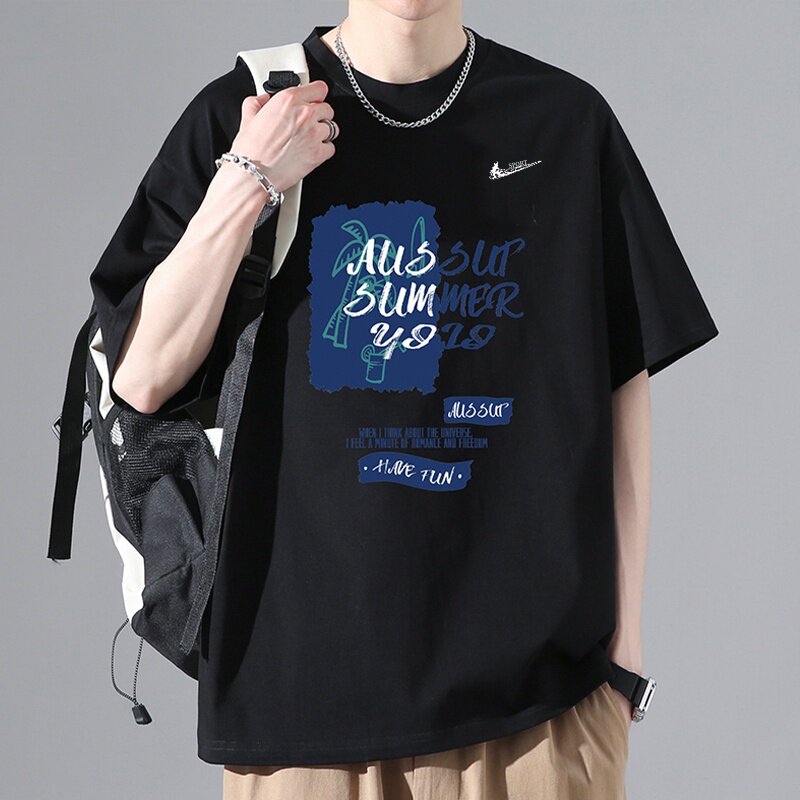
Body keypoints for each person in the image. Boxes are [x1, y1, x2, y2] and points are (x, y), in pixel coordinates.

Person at [89, 2, 719, 798]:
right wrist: (248, 179)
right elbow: (143, 379)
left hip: (538, 705)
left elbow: (622, 379)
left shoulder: (564, 121)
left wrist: (624, 650)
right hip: (299, 711)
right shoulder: (247, 111)